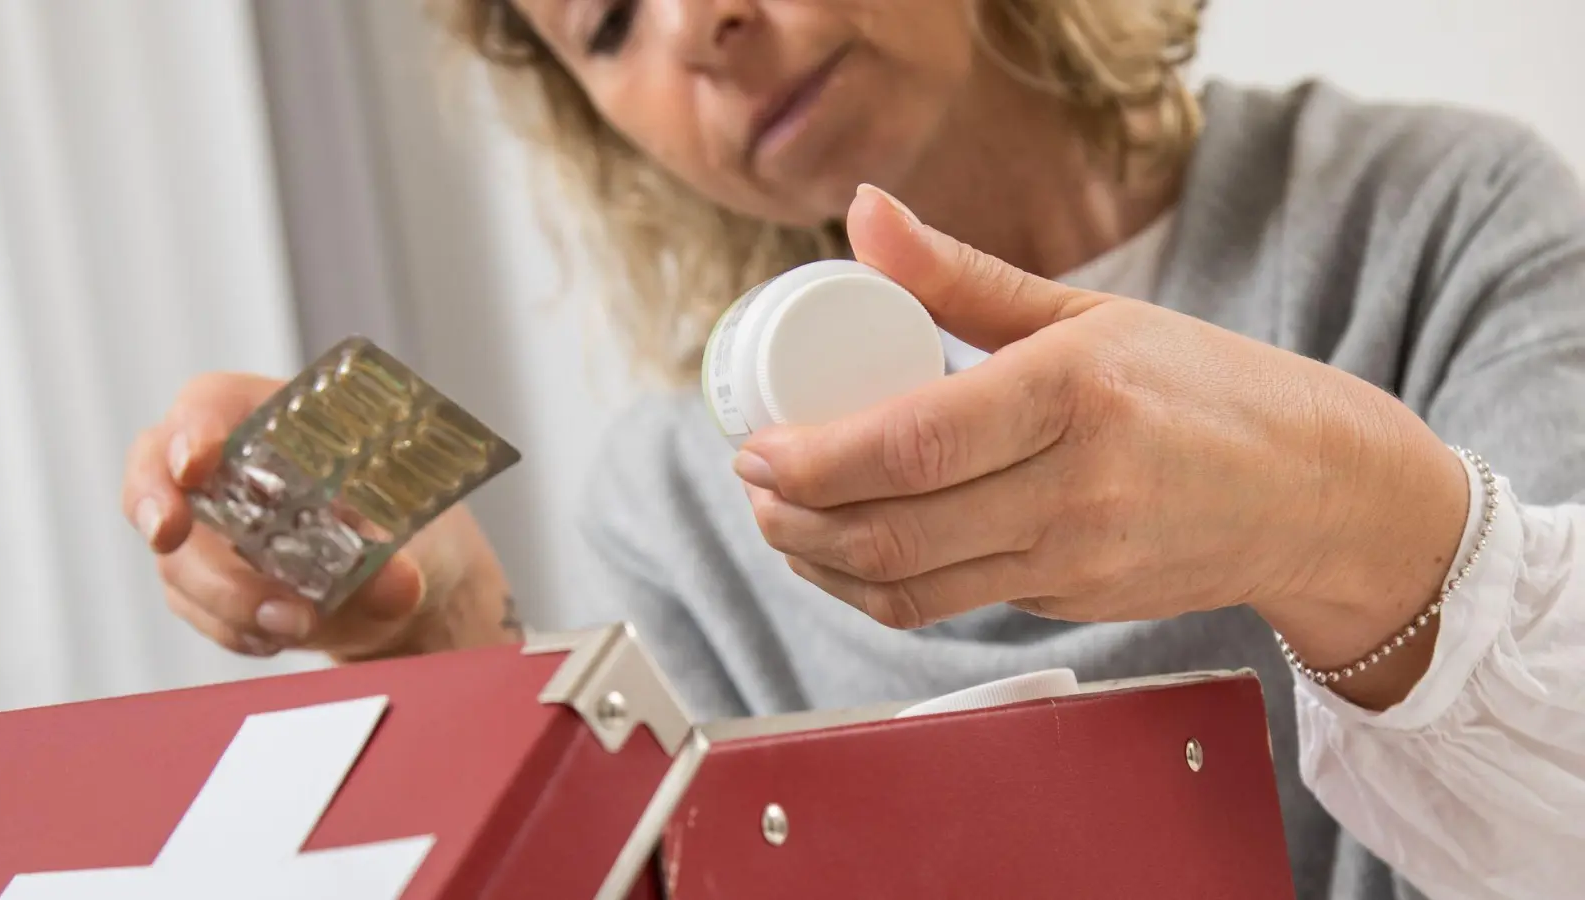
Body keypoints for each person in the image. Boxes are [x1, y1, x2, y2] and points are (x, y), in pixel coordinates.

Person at [118, 0, 1585, 897]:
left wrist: (1325, 518)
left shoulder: (1438, 223)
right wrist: (444, 642)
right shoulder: (689, 502)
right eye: (612, 17)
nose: (699, 26)